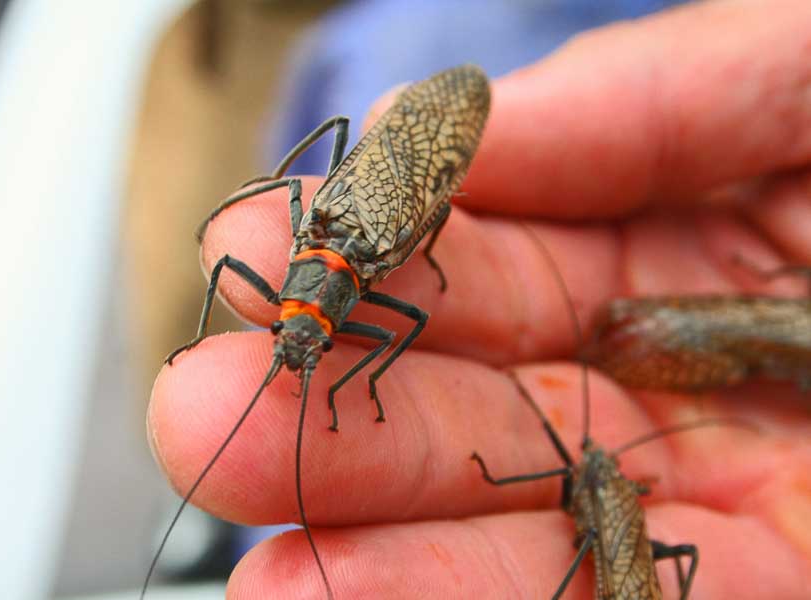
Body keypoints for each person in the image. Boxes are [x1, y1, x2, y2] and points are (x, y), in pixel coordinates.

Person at [147, 1, 811, 597]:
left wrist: (362, 380)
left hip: (375, 217)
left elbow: (394, 315)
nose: (302, 349)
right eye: (308, 342)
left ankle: (224, 534)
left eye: (312, 341)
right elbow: (308, 273)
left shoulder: (334, 246)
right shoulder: (317, 263)